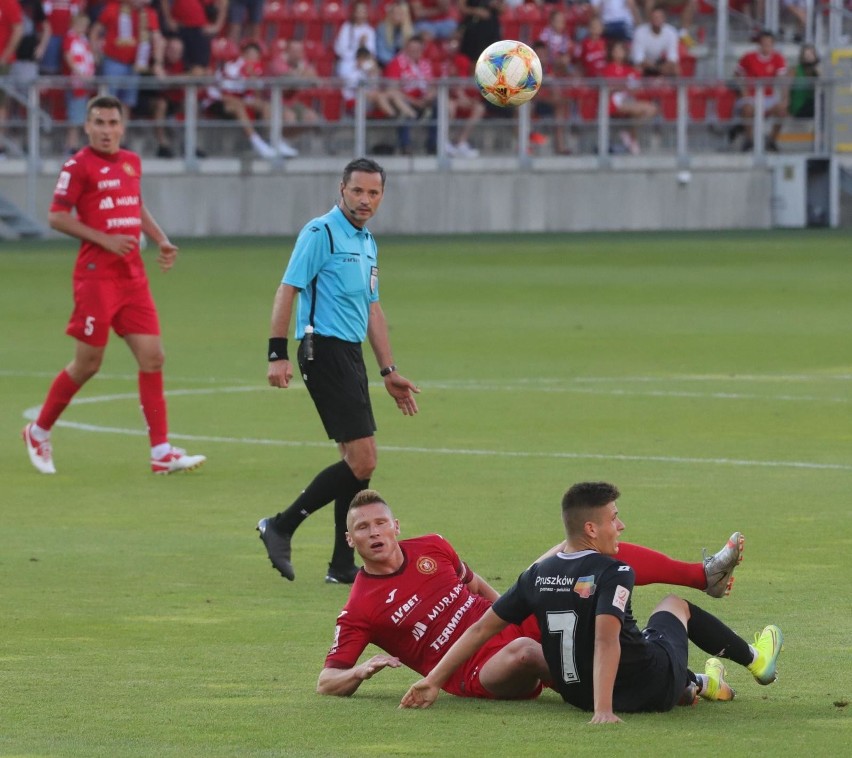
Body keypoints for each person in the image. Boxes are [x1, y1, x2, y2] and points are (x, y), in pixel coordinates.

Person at [401, 482, 784, 721]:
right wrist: (604, 711)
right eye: (615, 518)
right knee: (672, 607)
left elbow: (482, 627)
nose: (621, 526)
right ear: (591, 528)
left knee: (642, 639)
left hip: (577, 694)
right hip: (641, 688)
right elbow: (606, 641)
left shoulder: (536, 576)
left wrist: (432, 680)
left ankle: (700, 682)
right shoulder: (614, 571)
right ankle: (755, 659)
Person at [318, 488, 746, 699]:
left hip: (501, 625)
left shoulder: (431, 545)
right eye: (362, 528)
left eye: (380, 524)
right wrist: (359, 672)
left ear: (396, 526)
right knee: (526, 649)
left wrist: (517, 598)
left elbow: (475, 585)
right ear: (349, 539)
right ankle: (681, 682)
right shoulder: (361, 606)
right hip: (475, 671)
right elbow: (326, 682)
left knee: (575, 548)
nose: (374, 533)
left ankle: (701, 576)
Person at [22, 95, 207, 475]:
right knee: (88, 363)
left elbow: (133, 204)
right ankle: (38, 431)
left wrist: (160, 238)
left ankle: (160, 451)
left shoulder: (130, 162)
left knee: (153, 357)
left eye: (112, 123)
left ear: (122, 127)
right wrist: (103, 239)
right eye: (99, 123)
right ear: (87, 127)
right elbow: (56, 216)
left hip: (132, 277)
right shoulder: (77, 167)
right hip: (96, 276)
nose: (106, 130)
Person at [257, 159, 420, 585]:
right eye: (358, 191)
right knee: (364, 458)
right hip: (322, 348)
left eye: (374, 193)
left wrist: (388, 369)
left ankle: (341, 565)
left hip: (349, 354)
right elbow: (287, 289)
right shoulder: (321, 232)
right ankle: (281, 525)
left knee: (355, 463)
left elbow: (372, 308)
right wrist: (277, 353)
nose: (365, 200)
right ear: (341, 189)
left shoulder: (367, 241)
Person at [734, 30, 788, 152]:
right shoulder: (748, 57)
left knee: (782, 111)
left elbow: (783, 79)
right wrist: (743, 91)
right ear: (759, 44)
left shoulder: (778, 58)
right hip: (751, 96)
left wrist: (785, 98)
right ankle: (749, 139)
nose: (766, 47)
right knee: (747, 109)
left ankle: (772, 140)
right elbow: (737, 74)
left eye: (769, 44)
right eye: (764, 43)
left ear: (773, 44)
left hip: (768, 97)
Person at [602, 39, 658, 154]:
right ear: (611, 52)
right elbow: (608, 87)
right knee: (642, 110)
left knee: (652, 109)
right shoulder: (608, 68)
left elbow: (637, 87)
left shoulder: (629, 69)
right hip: (614, 101)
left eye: (620, 50)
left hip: (629, 99)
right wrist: (623, 86)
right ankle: (632, 139)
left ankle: (628, 132)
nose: (618, 52)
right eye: (615, 50)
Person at [630, 5, 680, 78]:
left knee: (676, 68)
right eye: (655, 17)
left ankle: (680, 89)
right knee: (638, 68)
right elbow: (638, 58)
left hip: (661, 63)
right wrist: (654, 67)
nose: (657, 19)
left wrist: (663, 67)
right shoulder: (640, 32)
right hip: (645, 63)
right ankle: (638, 89)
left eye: (660, 17)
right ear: (650, 18)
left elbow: (672, 57)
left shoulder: (671, 32)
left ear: (664, 19)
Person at [333, 0, 377, 78]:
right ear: (354, 12)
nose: (360, 14)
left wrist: (363, 46)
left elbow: (371, 52)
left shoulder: (370, 31)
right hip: (348, 61)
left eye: (363, 11)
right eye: (358, 11)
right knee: (347, 70)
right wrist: (358, 45)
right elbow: (340, 50)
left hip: (364, 62)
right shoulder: (346, 28)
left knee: (373, 70)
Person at [375, 0, 414, 69]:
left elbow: (412, 54)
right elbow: (381, 53)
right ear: (390, 14)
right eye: (395, 13)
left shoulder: (410, 30)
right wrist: (395, 64)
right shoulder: (382, 28)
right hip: (387, 65)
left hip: (405, 66)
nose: (397, 15)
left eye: (400, 13)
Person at [788, 42, 819, 119]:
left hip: (814, 105)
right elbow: (787, 88)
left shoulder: (817, 70)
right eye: (806, 54)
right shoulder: (795, 70)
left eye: (811, 54)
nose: (808, 57)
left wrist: (816, 70)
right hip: (800, 106)